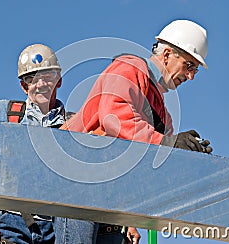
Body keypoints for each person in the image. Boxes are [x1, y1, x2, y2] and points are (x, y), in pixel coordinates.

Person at [62, 19, 213, 243]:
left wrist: (184, 155)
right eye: (189, 65)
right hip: (77, 184)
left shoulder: (162, 113)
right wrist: (167, 143)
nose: (190, 76)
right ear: (167, 54)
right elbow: (113, 117)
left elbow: (150, 162)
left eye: (195, 71)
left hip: (110, 199)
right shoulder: (129, 69)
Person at [0, 44, 66, 244]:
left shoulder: (74, 124)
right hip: (13, 219)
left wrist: (128, 221)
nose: (40, 84)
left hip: (58, 225)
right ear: (24, 86)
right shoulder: (6, 114)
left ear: (59, 80)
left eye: (47, 76)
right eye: (32, 78)